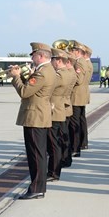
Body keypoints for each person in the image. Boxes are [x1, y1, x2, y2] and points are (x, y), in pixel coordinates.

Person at [9, 42, 56, 200]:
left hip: (35, 116)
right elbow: (31, 87)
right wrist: (21, 76)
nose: (32, 57)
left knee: (36, 155)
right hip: (38, 115)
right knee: (38, 153)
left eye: (33, 55)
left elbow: (25, 91)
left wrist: (16, 77)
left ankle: (36, 188)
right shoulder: (45, 70)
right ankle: (38, 187)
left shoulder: (42, 72)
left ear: (41, 55)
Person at [46, 47, 70, 182]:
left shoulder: (59, 75)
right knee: (56, 142)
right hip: (59, 109)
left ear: (59, 60)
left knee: (54, 144)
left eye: (53, 59)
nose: (51, 62)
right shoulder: (65, 72)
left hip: (54, 111)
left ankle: (54, 172)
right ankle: (54, 170)